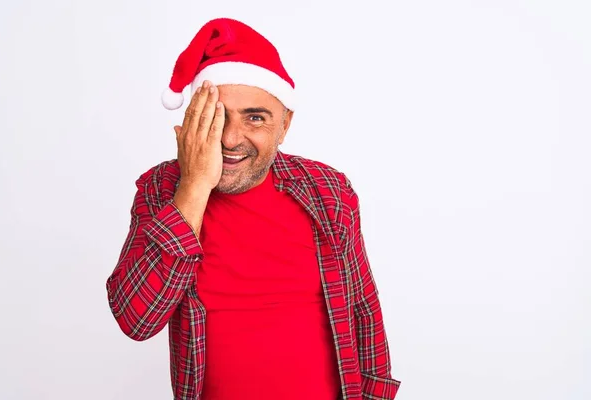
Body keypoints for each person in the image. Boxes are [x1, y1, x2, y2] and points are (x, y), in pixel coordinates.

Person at [106, 17, 400, 400]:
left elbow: (363, 311)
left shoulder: (329, 191)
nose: (230, 139)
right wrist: (193, 185)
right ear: (191, 119)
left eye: (255, 118)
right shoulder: (162, 190)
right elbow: (136, 319)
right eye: (215, 117)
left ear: (285, 124)